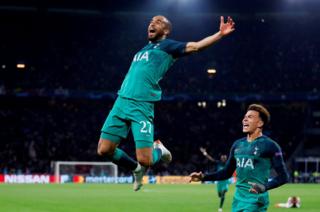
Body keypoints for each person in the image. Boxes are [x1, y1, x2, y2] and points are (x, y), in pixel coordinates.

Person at [97, 15, 235, 191]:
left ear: (166, 31)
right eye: (151, 21)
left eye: (158, 22)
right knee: (104, 149)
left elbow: (196, 46)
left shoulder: (169, 46)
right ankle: (136, 170)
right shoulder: (142, 50)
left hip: (142, 105)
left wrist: (220, 34)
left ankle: (159, 150)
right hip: (121, 101)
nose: (152, 23)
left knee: (146, 159)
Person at [190, 104, 289, 211]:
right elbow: (226, 172)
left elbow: (284, 176)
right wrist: (204, 177)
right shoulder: (237, 145)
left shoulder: (270, 146)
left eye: (250, 117)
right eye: (245, 117)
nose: (245, 119)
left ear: (260, 123)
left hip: (256, 201)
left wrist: (265, 187)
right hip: (238, 200)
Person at [200, 147, 229, 212]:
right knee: (219, 194)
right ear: (221, 158)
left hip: (225, 181)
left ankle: (220, 208)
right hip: (219, 182)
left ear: (226, 158)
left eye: (224, 157)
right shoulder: (218, 163)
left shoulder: (228, 164)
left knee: (223, 193)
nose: (223, 158)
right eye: (222, 157)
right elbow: (211, 159)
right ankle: (220, 196)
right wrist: (205, 153)